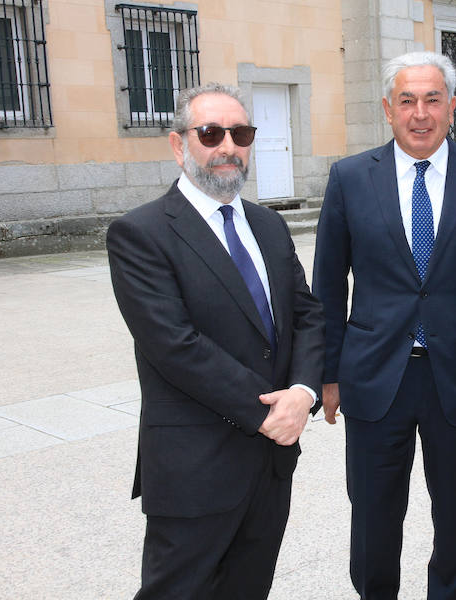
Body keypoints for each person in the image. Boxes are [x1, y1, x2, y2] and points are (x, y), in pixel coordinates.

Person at [312, 51, 456, 600]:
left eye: (433, 100)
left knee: (455, 512)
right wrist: (325, 374)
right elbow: (328, 287)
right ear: (388, 108)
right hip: (373, 377)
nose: (420, 113)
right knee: (373, 513)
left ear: (453, 108)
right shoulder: (351, 178)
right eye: (407, 100)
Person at [106, 83, 324, 599]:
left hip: (270, 465)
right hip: (194, 467)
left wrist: (304, 394)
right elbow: (175, 345)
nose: (228, 146)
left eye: (241, 133)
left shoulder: (269, 225)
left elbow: (308, 315)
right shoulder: (141, 234)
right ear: (179, 145)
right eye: (210, 133)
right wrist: (270, 412)